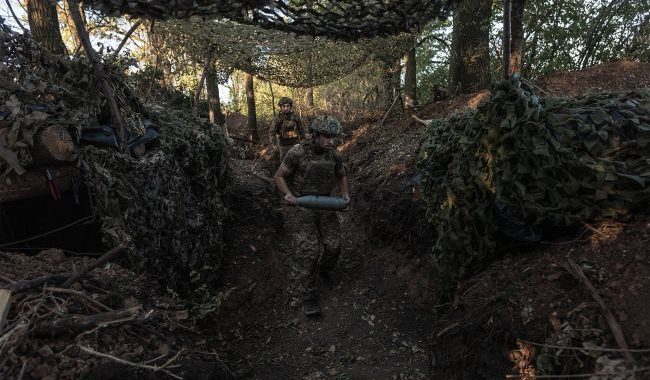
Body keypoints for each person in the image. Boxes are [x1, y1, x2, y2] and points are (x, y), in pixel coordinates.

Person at [274, 115, 350, 316]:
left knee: (334, 246)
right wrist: (289, 194)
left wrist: (345, 195)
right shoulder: (297, 153)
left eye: (333, 137)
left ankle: (324, 270)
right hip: (303, 206)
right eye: (326, 137)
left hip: (325, 205)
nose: (331, 141)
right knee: (309, 251)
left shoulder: (333, 155)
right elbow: (279, 176)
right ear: (315, 136)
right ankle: (308, 294)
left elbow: (341, 174)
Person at [270, 97, 304, 161]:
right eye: (284, 106)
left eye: (287, 106)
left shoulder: (295, 117)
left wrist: (303, 141)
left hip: (295, 144)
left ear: (290, 106)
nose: (286, 108)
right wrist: (274, 145)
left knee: (297, 162)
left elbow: (301, 129)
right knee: (284, 164)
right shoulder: (278, 119)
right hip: (283, 146)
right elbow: (272, 132)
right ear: (281, 107)